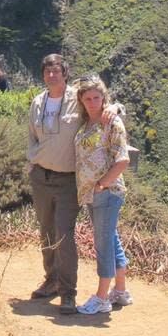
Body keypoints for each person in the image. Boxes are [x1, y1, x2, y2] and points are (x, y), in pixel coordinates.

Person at [27, 54, 119, 314]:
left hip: (68, 179)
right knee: (46, 230)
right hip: (41, 176)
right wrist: (33, 161)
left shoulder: (76, 99)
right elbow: (31, 137)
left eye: (56, 71)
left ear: (65, 74)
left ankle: (68, 292)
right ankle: (51, 280)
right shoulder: (37, 102)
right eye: (47, 72)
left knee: (63, 234)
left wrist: (116, 108)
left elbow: (98, 103)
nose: (52, 76)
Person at [73, 76, 132, 315]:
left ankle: (101, 297)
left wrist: (102, 185)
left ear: (103, 97)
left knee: (103, 242)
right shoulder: (86, 122)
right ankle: (120, 290)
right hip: (93, 193)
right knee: (111, 238)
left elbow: (123, 159)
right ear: (81, 100)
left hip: (107, 192)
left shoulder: (111, 122)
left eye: (97, 97)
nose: (93, 102)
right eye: (87, 98)